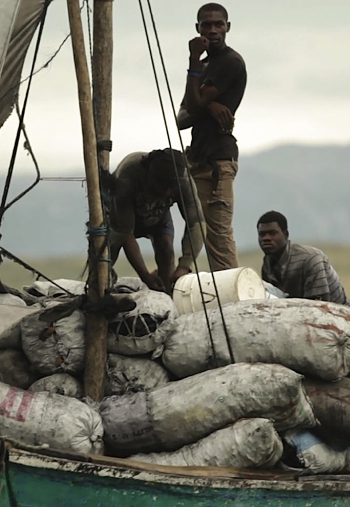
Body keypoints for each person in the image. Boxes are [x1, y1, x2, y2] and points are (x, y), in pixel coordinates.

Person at [175, 3, 247, 277]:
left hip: (217, 161)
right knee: (194, 226)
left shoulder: (230, 62)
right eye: (207, 25)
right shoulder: (205, 65)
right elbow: (182, 118)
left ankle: (232, 302)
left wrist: (193, 63)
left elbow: (191, 108)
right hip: (199, 158)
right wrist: (209, 105)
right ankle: (181, 272)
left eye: (219, 24)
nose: (213, 30)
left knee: (217, 236)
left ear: (228, 27)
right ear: (198, 29)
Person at [106, 149, 206, 293]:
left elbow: (197, 224)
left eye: (171, 189)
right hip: (120, 216)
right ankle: (99, 290)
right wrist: (145, 276)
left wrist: (184, 266)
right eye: (163, 187)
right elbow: (125, 233)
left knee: (166, 248)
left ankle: (166, 293)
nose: (167, 192)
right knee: (108, 251)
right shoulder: (128, 176)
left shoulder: (183, 180)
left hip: (158, 215)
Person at [257, 210, 350, 306]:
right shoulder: (267, 266)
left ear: (285, 235)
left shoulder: (311, 259)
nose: (266, 238)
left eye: (272, 233)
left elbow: (321, 306)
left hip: (338, 315)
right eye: (262, 234)